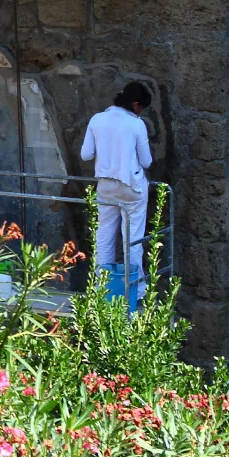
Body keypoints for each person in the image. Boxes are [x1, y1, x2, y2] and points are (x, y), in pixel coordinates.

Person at [80, 81, 153, 302]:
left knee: (104, 236)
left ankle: (101, 289)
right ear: (136, 104)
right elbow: (147, 161)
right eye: (142, 107)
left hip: (105, 185)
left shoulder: (97, 119)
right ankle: (136, 291)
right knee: (132, 240)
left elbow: (86, 155)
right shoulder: (136, 124)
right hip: (131, 186)